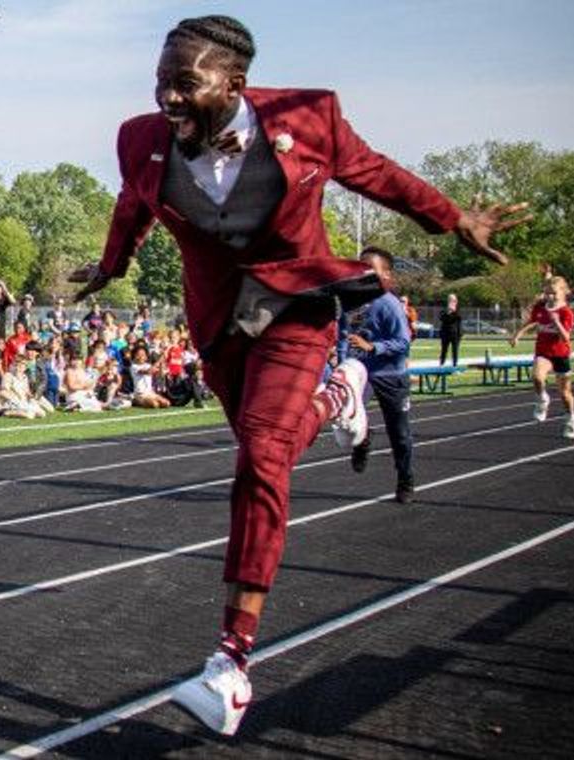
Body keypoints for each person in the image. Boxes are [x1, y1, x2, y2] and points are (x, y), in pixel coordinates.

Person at [69, 15, 530, 736]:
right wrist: (110, 265)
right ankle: (343, 395)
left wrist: (451, 217)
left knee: (260, 457)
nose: (168, 96)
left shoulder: (308, 116)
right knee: (267, 450)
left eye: (185, 82)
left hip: (295, 306)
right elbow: (134, 203)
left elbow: (378, 174)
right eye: (161, 80)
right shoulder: (140, 139)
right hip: (220, 320)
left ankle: (230, 662)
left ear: (236, 84)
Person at [346, 248, 415, 503]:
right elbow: (344, 335)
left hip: (392, 375)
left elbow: (403, 342)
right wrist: (339, 358)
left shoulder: (389, 304)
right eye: (359, 267)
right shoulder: (351, 302)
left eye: (369, 268)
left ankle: (405, 479)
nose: (362, 273)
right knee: (347, 415)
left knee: (400, 434)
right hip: (361, 371)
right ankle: (361, 441)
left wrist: (374, 347)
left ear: (386, 274)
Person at [510, 276, 574, 438]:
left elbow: (566, 338)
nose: (550, 296)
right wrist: (518, 334)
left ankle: (571, 419)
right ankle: (542, 399)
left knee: (565, 394)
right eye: (547, 293)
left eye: (554, 293)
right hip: (543, 352)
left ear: (563, 293)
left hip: (561, 354)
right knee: (537, 377)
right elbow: (532, 322)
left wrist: (557, 322)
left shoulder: (566, 312)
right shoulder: (541, 308)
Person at [128, 344, 171, 409]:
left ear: (146, 356)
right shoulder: (134, 367)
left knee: (166, 403)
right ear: (134, 356)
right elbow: (148, 371)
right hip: (140, 394)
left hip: (150, 393)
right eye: (138, 355)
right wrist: (160, 359)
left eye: (143, 355)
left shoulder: (148, 365)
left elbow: (160, 374)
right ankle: (136, 401)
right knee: (155, 405)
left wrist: (162, 362)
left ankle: (141, 401)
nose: (141, 357)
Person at [438, 293, 463, 366]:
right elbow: (441, 318)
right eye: (450, 300)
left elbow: (459, 318)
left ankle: (455, 365)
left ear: (456, 301)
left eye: (454, 300)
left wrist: (454, 311)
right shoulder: (444, 310)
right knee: (444, 350)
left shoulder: (458, 310)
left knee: (455, 351)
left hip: (455, 334)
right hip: (445, 333)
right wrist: (448, 312)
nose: (452, 302)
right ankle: (441, 364)